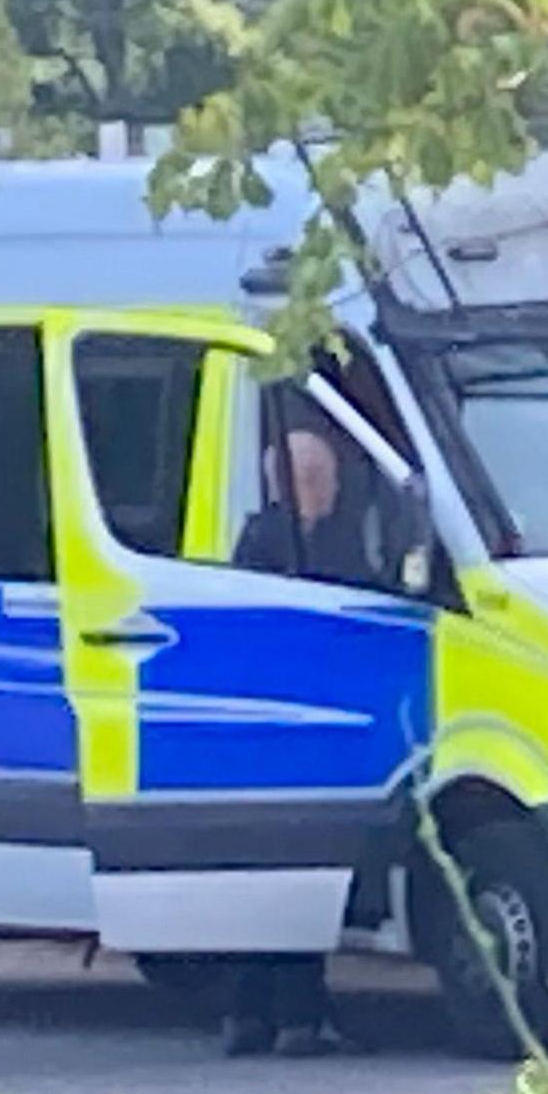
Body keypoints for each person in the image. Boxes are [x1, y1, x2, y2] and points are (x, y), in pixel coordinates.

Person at [218, 425, 425, 1056]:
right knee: (291, 881)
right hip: (287, 730)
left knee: (266, 887)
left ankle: (251, 1016)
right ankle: (296, 1021)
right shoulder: (290, 543)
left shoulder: (278, 537)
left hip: (277, 728)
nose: (332, 491)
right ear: (302, 484)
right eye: (323, 479)